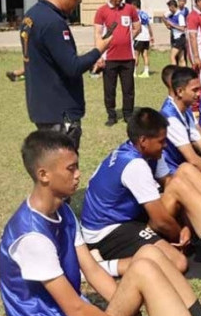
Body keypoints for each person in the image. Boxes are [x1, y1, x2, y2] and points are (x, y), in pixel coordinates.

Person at [0, 129, 186, 316]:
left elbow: (94, 271)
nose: (78, 175)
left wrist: (127, 315)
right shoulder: (31, 237)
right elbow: (73, 307)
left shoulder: (62, 210)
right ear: (43, 175)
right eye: (71, 169)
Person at [80, 108, 187, 272]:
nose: (165, 146)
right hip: (105, 231)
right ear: (143, 141)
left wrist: (185, 221)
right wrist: (180, 234)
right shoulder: (135, 165)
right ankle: (95, 268)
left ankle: (148, 240)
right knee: (177, 262)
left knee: (173, 198)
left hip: (127, 217)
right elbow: (161, 221)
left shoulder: (146, 153)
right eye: (161, 141)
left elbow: (171, 186)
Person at [21, 0, 108, 150]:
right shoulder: (53, 22)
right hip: (59, 113)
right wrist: (98, 49)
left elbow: (43, 59)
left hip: (42, 108)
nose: (80, 1)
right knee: (64, 171)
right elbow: (73, 67)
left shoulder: (32, 15)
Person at [94, 0, 140, 126]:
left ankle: (128, 114)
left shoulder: (130, 9)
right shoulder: (101, 11)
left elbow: (137, 27)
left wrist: (127, 38)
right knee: (109, 89)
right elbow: (98, 34)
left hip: (128, 57)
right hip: (110, 58)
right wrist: (99, 55)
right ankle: (112, 115)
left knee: (128, 89)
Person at [160, 67, 201, 180]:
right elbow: (192, 159)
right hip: (174, 172)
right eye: (195, 90)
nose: (199, 94)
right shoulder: (170, 118)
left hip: (186, 164)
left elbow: (199, 143)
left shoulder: (185, 108)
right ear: (179, 91)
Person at [164, 0, 188, 66]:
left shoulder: (180, 15)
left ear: (172, 6)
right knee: (181, 58)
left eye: (169, 7)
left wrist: (172, 24)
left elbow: (183, 28)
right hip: (176, 38)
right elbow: (164, 18)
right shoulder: (172, 15)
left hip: (180, 38)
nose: (169, 9)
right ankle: (184, 74)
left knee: (172, 56)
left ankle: (174, 72)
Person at [133, 1, 153, 78]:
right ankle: (146, 71)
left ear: (135, 6)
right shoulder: (145, 14)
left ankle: (134, 72)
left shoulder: (136, 14)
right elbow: (149, 25)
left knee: (136, 54)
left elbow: (137, 26)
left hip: (139, 37)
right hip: (146, 37)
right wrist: (151, 36)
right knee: (145, 55)